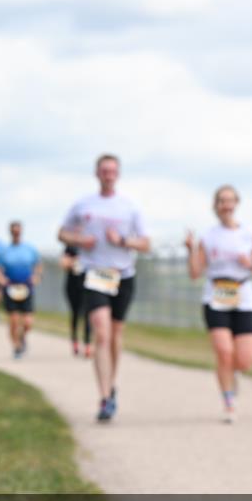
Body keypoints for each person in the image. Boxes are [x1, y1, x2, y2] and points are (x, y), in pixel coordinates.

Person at [58, 153, 150, 422]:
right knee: (101, 332)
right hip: (94, 273)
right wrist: (79, 240)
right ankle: (105, 396)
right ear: (97, 173)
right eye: (104, 170)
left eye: (112, 171)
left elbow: (145, 244)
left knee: (116, 333)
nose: (108, 175)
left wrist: (122, 240)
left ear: (118, 174)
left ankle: (111, 383)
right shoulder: (83, 204)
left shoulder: (129, 207)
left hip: (123, 274)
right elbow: (61, 233)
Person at [185, 185, 252, 423]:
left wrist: (250, 262)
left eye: (230, 201)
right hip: (216, 296)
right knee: (224, 352)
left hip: (244, 295)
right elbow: (195, 273)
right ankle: (228, 401)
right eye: (221, 201)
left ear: (236, 203)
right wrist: (190, 250)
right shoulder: (208, 237)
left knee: (244, 360)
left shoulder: (249, 233)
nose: (226, 206)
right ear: (215, 206)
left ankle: (232, 375)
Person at [0, 221, 42, 359]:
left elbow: (38, 266)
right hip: (10, 287)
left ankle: (22, 337)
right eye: (14, 231)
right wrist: (2, 280)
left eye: (18, 231)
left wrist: (36, 277)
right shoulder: (4, 251)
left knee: (28, 323)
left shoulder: (30, 249)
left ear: (21, 231)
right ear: (10, 232)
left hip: (26, 287)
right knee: (13, 320)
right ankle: (16, 347)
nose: (16, 233)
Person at [61, 245, 92, 358]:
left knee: (88, 315)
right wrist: (75, 261)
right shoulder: (71, 246)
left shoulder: (92, 243)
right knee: (75, 313)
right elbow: (64, 264)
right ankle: (75, 341)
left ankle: (88, 344)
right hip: (72, 286)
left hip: (88, 284)